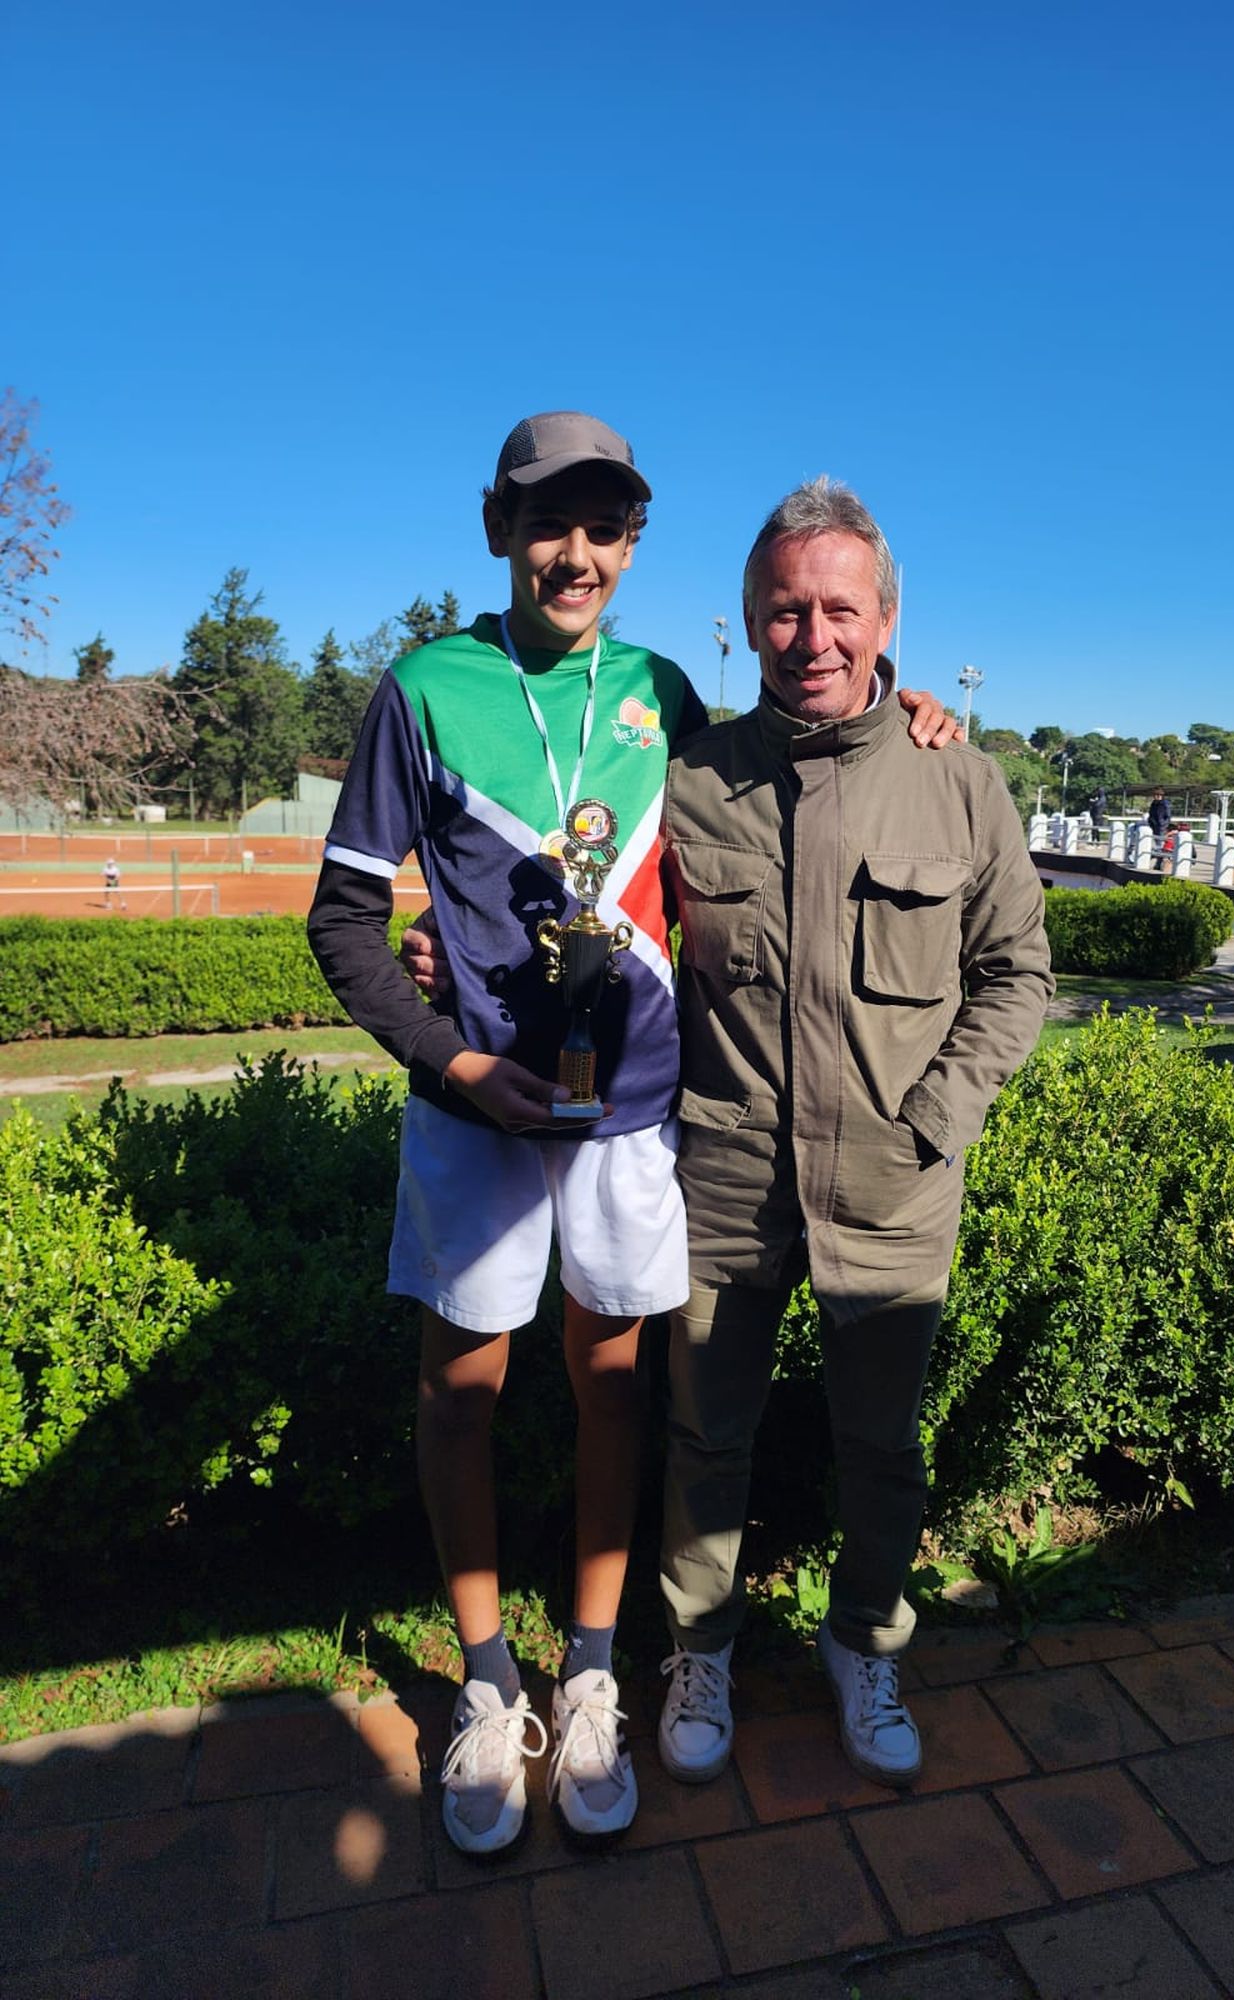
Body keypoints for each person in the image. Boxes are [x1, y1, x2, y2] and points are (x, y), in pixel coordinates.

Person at [314, 417, 957, 1854]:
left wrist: (920, 710)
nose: (578, 552)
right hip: (476, 1114)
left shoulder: (666, 693)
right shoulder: (423, 689)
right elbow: (346, 920)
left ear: (633, 547)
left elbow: (815, 745)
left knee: (617, 1397)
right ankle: (489, 1688)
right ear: (499, 529)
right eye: (552, 522)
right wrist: (450, 1053)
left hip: (628, 1122)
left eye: (607, 527)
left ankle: (593, 1672)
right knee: (461, 1399)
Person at [652, 479, 1053, 1790]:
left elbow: (1018, 975)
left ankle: (863, 1642)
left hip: (891, 1189)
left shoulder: (962, 783)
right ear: (750, 622)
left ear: (886, 621)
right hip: (722, 1181)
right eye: (784, 610)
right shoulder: (693, 782)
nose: (811, 636)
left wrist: (936, 1121)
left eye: (838, 608)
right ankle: (697, 1646)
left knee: (885, 1447)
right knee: (707, 1436)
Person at [1146, 788, 1173, 869]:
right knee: (1157, 845)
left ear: (1162, 796)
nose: (1157, 797)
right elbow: (1151, 814)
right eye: (1155, 795)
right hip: (1154, 826)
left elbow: (1167, 816)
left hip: (1161, 827)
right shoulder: (1154, 804)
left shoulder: (1164, 804)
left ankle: (1159, 863)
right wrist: (1150, 821)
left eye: (1159, 795)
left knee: (1160, 845)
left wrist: (1163, 824)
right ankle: (1158, 863)